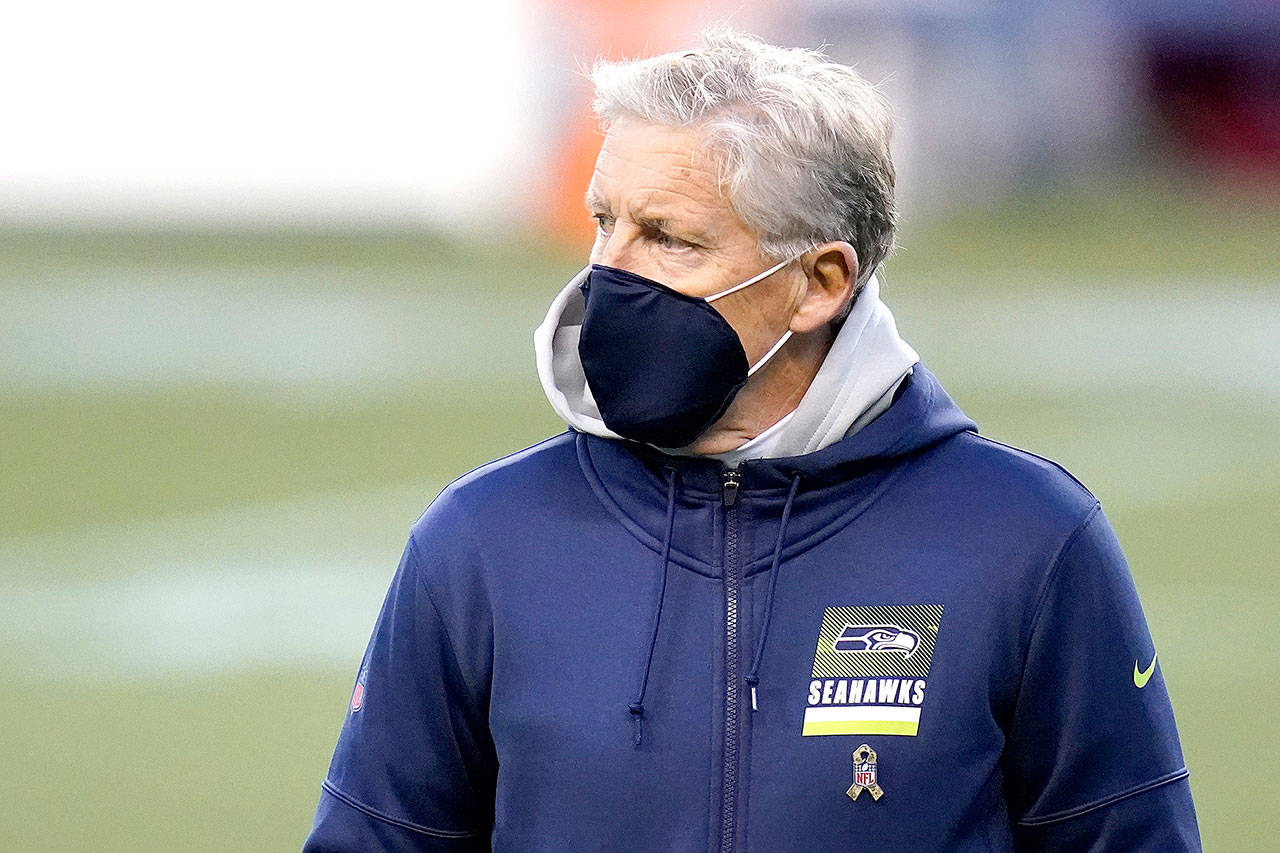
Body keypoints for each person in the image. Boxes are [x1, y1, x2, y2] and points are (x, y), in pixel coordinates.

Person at [303, 27, 1200, 851]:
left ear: (819, 282)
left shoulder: (1026, 540)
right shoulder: (480, 540)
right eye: (604, 222)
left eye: (668, 239)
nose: (608, 275)